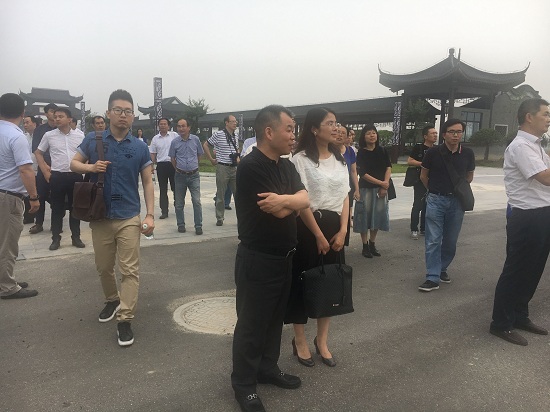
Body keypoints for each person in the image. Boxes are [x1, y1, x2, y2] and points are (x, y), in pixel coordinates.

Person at [232, 105, 309, 412]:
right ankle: (244, 384)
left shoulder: (286, 166)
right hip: (258, 258)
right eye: (289, 129)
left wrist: (287, 201)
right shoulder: (252, 166)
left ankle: (267, 368)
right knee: (252, 324)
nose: (293, 135)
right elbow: (275, 211)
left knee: (275, 319)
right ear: (269, 131)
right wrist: (292, 203)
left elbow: (305, 199)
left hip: (284, 257)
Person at [70, 89, 154, 347]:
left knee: (130, 270)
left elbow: (148, 182)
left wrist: (150, 214)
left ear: (133, 116)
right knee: (104, 266)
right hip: (101, 216)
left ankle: (125, 319)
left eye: (128, 111)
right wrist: (91, 167)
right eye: (118, 110)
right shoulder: (93, 140)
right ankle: (112, 300)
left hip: (129, 215)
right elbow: (74, 163)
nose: (123, 115)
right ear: (108, 113)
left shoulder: (140, 147)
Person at [284, 108, 349, 369]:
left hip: (336, 229)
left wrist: (343, 231)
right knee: (301, 283)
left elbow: (345, 196)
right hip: (308, 228)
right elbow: (301, 202)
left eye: (336, 123)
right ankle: (299, 340)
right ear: (314, 128)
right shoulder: (299, 160)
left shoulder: (340, 159)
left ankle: (322, 341)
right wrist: (319, 235)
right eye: (329, 123)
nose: (336, 128)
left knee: (329, 284)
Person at [490, 98, 550, 346]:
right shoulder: (521, 146)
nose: (549, 119)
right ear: (529, 116)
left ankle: (519, 315)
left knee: (533, 270)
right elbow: (545, 177)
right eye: (545, 114)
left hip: (542, 213)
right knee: (516, 271)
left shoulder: (536, 146)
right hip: (527, 216)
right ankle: (500, 323)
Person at [418, 118, 475, 292]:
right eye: (452, 132)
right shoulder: (433, 152)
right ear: (444, 134)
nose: (456, 135)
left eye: (459, 132)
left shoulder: (468, 153)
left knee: (450, 240)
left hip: (457, 202)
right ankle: (432, 276)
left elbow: (469, 177)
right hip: (436, 200)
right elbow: (423, 176)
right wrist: (434, 191)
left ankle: (442, 268)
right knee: (433, 239)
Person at [0, 93, 39, 299]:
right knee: (7, 243)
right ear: (22, 113)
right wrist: (33, 197)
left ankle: (5, 278)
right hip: (7, 197)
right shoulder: (17, 137)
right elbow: (25, 169)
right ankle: (7, 286)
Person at [35, 108, 85, 251]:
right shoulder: (49, 135)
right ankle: (56, 239)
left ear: (69, 119)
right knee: (57, 208)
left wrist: (85, 166)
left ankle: (76, 237)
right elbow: (38, 153)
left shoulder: (80, 135)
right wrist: (45, 170)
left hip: (75, 176)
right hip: (57, 176)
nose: (57, 119)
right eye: (55, 116)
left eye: (60, 116)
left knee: (75, 208)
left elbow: (86, 153)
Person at [353, 125, 391, 258]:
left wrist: (384, 185)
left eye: (374, 133)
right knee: (364, 216)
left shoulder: (382, 150)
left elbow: (388, 167)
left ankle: (372, 243)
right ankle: (364, 245)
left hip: (381, 190)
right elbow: (362, 173)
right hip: (366, 189)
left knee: (377, 216)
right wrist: (381, 183)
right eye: (368, 133)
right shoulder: (361, 153)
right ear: (364, 137)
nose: (372, 135)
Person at [169, 118, 204, 235]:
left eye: (183, 126)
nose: (181, 128)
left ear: (189, 128)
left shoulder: (195, 139)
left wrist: (194, 166)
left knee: (196, 201)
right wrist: (178, 169)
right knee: (179, 203)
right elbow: (172, 158)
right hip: (180, 175)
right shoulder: (174, 142)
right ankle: (181, 224)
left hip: (194, 175)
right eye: (179, 126)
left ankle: (198, 225)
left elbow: (199, 154)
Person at [203, 115, 240, 226]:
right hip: (222, 167)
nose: (235, 123)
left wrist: (238, 156)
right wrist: (211, 159)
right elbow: (206, 144)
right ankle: (220, 217)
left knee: (238, 194)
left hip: (234, 167)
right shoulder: (218, 134)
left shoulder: (235, 135)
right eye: (232, 121)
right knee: (221, 194)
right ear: (226, 123)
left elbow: (237, 148)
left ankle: (241, 218)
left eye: (236, 121)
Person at [29, 103, 57, 235]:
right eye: (51, 111)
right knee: (41, 195)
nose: (54, 113)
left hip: (58, 168)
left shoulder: (62, 128)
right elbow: (36, 149)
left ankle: (56, 224)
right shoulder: (40, 130)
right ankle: (39, 223)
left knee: (57, 196)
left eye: (56, 111)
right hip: (42, 167)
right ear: (46, 114)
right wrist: (44, 166)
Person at [407, 125, 438, 239]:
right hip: (420, 180)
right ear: (425, 136)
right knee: (418, 204)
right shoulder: (418, 148)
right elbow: (410, 161)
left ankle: (424, 228)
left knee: (429, 205)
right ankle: (414, 229)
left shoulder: (437, 149)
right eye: (432, 133)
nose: (435, 135)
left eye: (436, 133)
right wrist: (424, 164)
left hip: (433, 180)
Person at [336, 125, 359, 246]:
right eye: (337, 132)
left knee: (346, 214)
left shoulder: (350, 151)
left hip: (347, 188)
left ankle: (342, 243)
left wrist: (357, 189)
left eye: (343, 133)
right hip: (334, 189)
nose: (340, 135)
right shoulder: (329, 150)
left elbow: (353, 171)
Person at [150, 118, 177, 219]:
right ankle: (164, 211)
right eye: (161, 124)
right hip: (161, 166)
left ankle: (178, 207)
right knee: (163, 189)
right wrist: (151, 165)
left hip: (173, 164)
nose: (163, 126)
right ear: (158, 126)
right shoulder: (155, 139)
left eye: (165, 124)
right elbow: (153, 153)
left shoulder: (174, 135)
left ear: (168, 126)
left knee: (176, 188)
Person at [22, 115, 41, 224]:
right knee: (27, 194)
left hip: (39, 169)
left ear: (34, 124)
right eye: (24, 123)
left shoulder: (40, 137)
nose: (25, 125)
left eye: (27, 122)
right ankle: (29, 217)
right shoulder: (23, 137)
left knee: (40, 194)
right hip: (28, 170)